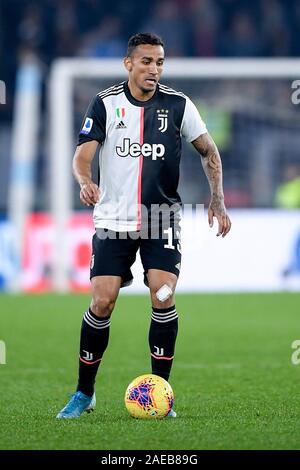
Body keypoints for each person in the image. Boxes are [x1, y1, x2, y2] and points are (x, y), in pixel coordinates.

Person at [56, 32, 231, 419]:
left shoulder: (179, 105)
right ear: (129, 64)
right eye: (147, 61)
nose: (154, 69)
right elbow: (82, 156)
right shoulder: (105, 104)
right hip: (113, 219)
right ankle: (85, 393)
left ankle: (160, 394)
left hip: (161, 218)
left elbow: (209, 151)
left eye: (160, 62)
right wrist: (85, 182)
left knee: (163, 296)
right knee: (102, 301)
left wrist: (217, 198)